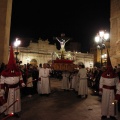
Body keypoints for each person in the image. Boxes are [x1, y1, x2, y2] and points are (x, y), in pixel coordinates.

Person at [0, 46, 25, 118]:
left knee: (16, 101)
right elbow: (1, 81)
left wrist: (22, 83)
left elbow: (20, 78)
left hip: (16, 89)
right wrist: (2, 89)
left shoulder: (18, 71)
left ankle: (15, 111)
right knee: (9, 101)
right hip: (9, 89)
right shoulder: (4, 72)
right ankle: (8, 112)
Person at [99, 50, 119, 120]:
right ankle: (104, 114)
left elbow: (117, 84)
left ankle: (112, 114)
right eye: (108, 67)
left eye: (110, 67)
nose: (109, 68)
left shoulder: (115, 75)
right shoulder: (103, 74)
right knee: (105, 102)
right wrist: (100, 89)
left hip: (112, 91)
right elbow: (101, 82)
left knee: (112, 103)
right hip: (105, 91)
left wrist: (118, 92)